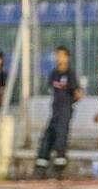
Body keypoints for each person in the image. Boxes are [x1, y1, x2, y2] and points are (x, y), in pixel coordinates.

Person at [34, 46, 82, 180]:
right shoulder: (54, 73)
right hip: (55, 111)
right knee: (47, 138)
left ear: (67, 57)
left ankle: (59, 170)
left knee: (61, 140)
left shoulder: (70, 74)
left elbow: (78, 93)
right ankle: (41, 168)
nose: (58, 58)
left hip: (65, 111)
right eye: (57, 55)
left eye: (61, 55)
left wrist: (70, 101)